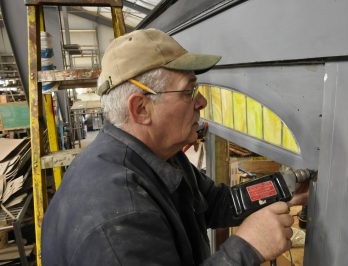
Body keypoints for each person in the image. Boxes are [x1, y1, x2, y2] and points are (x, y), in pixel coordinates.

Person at [41, 28, 299, 266]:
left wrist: (284, 186)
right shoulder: (118, 219)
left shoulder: (160, 155)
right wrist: (247, 247)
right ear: (141, 108)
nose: (201, 101)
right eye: (188, 91)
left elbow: (220, 202)